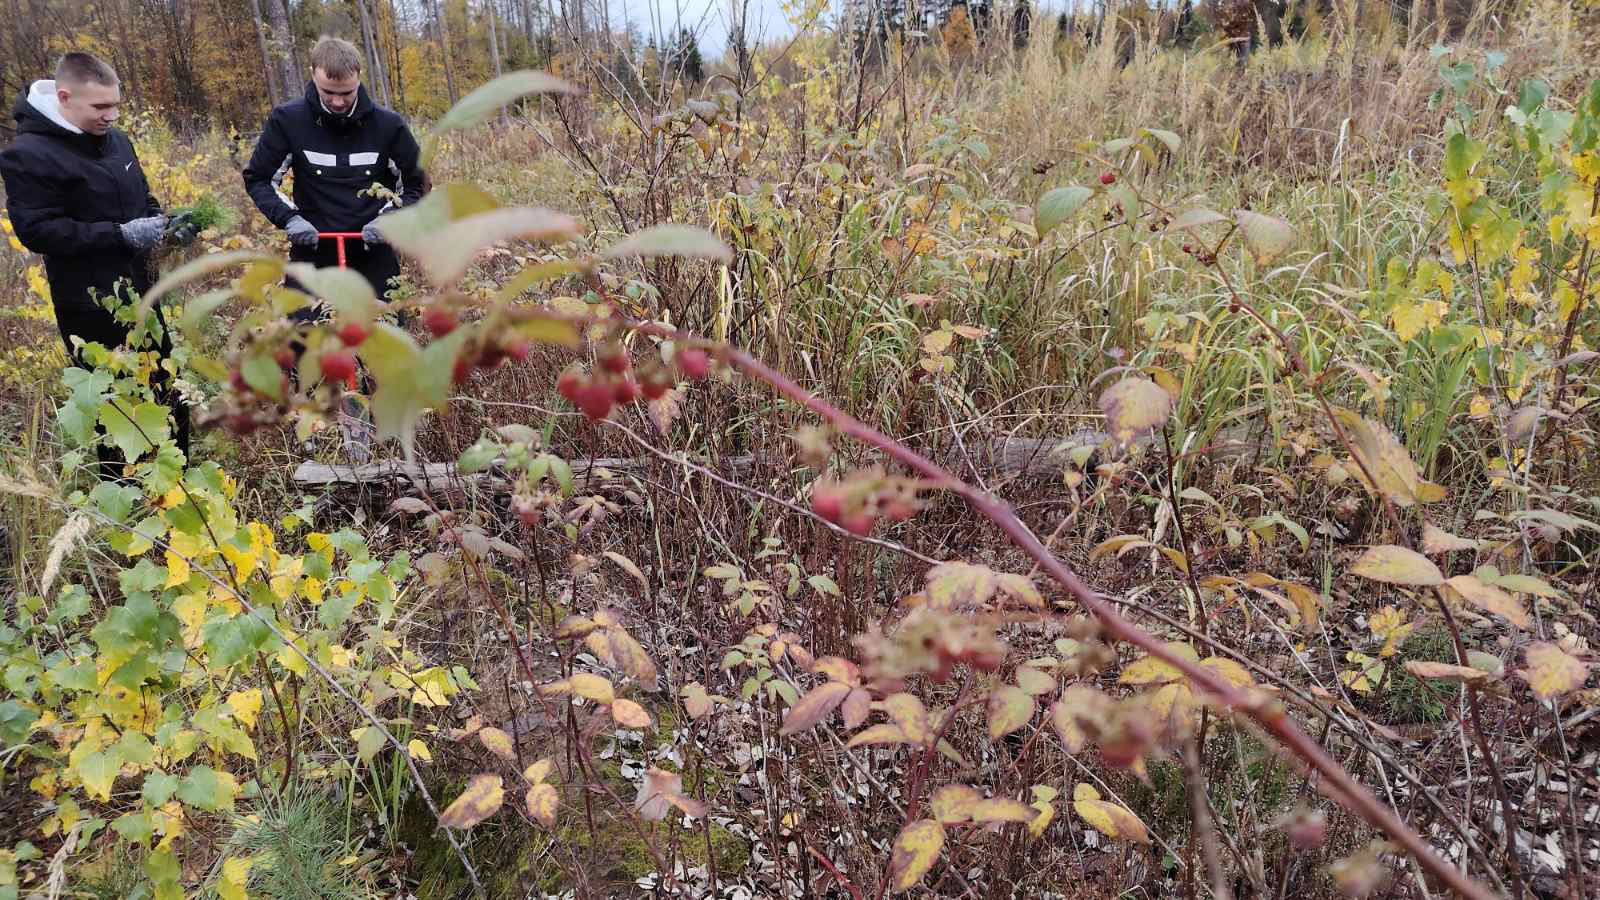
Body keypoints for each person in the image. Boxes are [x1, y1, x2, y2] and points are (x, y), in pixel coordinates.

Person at [0, 52, 198, 476]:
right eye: (100, 107)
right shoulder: (27, 154)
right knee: (116, 408)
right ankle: (123, 492)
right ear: (65, 97)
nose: (111, 115)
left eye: (116, 105)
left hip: (143, 293)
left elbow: (143, 197)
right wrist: (120, 235)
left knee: (167, 391)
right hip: (89, 305)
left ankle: (178, 483)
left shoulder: (117, 140)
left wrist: (164, 226)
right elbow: (38, 231)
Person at [242, 35, 425, 313]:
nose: (338, 102)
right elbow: (259, 178)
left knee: (380, 332)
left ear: (359, 77)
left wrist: (389, 221)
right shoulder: (288, 121)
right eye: (328, 92)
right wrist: (290, 219)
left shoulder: (388, 126)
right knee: (303, 333)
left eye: (347, 92)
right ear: (313, 75)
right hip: (311, 254)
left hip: (373, 255)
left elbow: (416, 185)